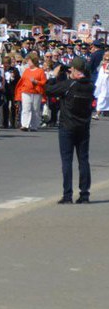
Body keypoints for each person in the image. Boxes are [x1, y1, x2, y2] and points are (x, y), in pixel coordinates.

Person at [46, 59, 95, 204]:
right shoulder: (90, 86)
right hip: (83, 127)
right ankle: (84, 194)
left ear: (75, 70)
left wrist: (53, 76)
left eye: (71, 70)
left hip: (67, 127)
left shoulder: (69, 84)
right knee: (83, 160)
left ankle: (67, 195)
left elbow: (48, 89)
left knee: (67, 161)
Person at [17, 52, 47, 132]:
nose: (28, 62)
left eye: (29, 61)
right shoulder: (26, 71)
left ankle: (34, 126)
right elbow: (22, 81)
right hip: (26, 91)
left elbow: (44, 82)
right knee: (26, 108)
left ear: (33, 61)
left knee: (35, 109)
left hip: (36, 92)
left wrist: (36, 82)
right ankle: (24, 125)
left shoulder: (40, 71)